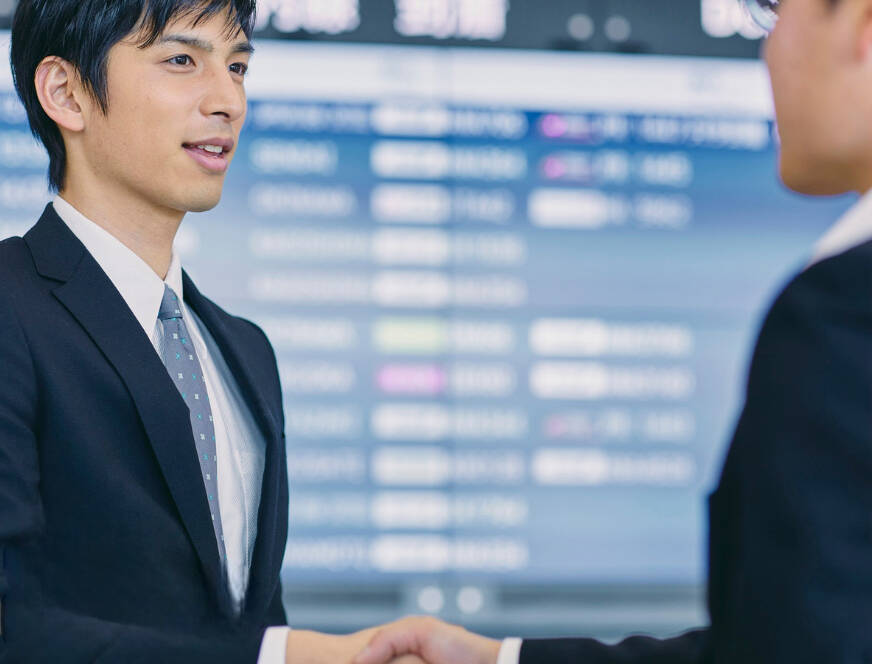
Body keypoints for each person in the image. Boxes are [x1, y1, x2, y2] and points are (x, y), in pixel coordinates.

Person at [354, 0, 872, 662]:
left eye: (777, 12)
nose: (769, 50)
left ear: (862, 26)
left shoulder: (842, 308)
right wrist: (501, 659)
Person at [0, 1, 428, 663]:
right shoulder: (10, 306)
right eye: (181, 60)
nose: (228, 101)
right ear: (66, 92)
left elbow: (244, 623)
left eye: (238, 67)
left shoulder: (243, 351)